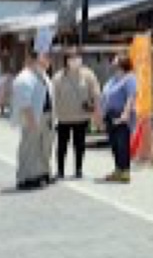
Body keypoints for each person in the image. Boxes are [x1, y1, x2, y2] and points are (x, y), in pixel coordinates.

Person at [53, 47, 100, 180]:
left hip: (81, 116)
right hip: (63, 117)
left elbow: (96, 93)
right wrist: (52, 116)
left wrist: (97, 111)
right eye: (72, 58)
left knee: (79, 144)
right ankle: (60, 170)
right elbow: (53, 97)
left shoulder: (88, 74)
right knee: (62, 144)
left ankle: (78, 169)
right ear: (66, 61)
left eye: (78, 58)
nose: (76, 61)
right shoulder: (58, 76)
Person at [11, 49, 54, 190]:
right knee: (29, 148)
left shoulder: (43, 75)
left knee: (43, 147)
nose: (47, 61)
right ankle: (25, 177)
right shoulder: (24, 77)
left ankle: (41, 173)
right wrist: (31, 120)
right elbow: (24, 102)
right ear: (34, 59)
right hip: (33, 117)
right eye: (44, 57)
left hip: (46, 116)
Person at [100, 54, 138, 183]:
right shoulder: (112, 80)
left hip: (121, 115)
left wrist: (125, 114)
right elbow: (105, 97)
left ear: (123, 63)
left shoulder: (129, 78)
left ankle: (125, 171)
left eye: (115, 61)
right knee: (114, 144)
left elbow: (131, 97)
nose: (113, 63)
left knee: (123, 144)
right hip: (110, 115)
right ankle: (118, 169)